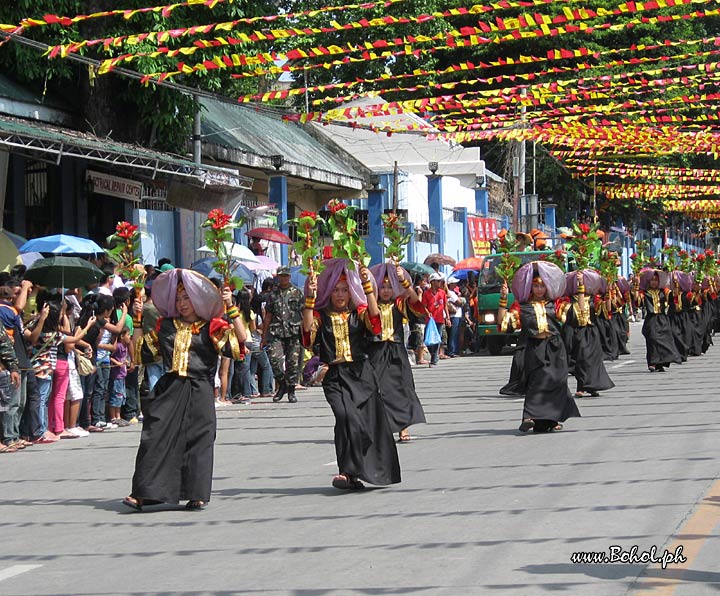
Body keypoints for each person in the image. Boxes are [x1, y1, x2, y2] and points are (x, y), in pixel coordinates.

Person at [123, 269, 246, 512]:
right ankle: (145, 493)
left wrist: (231, 307)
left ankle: (196, 493)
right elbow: (139, 353)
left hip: (200, 387)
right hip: (170, 387)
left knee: (199, 439)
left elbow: (239, 344)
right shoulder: (166, 325)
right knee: (155, 436)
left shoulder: (212, 327)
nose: (182, 304)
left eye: (187, 298)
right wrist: (137, 320)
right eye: (178, 299)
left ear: (198, 299)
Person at [302, 258, 401, 490]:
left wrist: (369, 287)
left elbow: (376, 324)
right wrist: (309, 298)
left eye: (344, 290)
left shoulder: (360, 313)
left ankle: (349, 474)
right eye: (336, 290)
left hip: (361, 374)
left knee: (358, 422)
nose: (339, 295)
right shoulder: (321, 315)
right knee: (345, 417)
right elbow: (307, 336)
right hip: (335, 376)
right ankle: (347, 470)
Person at [498, 262, 581, 433]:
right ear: (530, 286)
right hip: (534, 348)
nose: (539, 289)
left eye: (542, 286)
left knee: (556, 382)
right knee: (536, 382)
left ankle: (549, 421)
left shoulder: (555, 304)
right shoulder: (522, 306)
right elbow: (504, 324)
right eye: (535, 286)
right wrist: (503, 299)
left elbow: (577, 315)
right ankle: (528, 417)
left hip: (555, 348)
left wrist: (581, 288)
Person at [368, 263, 427, 443]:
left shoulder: (399, 303)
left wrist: (405, 282)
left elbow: (417, 305)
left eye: (389, 286)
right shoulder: (372, 303)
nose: (386, 291)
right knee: (377, 389)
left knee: (402, 387)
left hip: (396, 350)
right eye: (382, 287)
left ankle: (403, 427)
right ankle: (380, 427)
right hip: (376, 351)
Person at [263, 266, 304, 403]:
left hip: (294, 332)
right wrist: (264, 336)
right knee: (275, 360)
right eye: (281, 276)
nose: (283, 278)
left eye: (286, 276)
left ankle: (291, 390)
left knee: (292, 362)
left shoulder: (297, 293)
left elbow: (304, 314)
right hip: (276, 332)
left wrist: (307, 334)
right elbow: (268, 315)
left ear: (289, 277)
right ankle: (283, 384)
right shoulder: (272, 294)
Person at [633, 269, 682, 372]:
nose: (654, 282)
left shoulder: (664, 291)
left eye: (656, 280)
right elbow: (637, 301)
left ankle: (661, 363)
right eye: (652, 280)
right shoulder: (645, 293)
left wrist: (676, 282)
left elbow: (675, 295)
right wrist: (636, 286)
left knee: (664, 340)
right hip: (651, 319)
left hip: (663, 319)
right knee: (652, 340)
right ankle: (652, 362)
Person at [421, 273, 449, 366]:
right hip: (430, 320)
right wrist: (427, 312)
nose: (439, 283)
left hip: (440, 319)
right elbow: (423, 306)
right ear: (432, 282)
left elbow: (445, 306)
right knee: (428, 339)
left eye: (440, 281)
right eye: (437, 281)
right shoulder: (426, 294)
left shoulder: (442, 293)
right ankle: (433, 354)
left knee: (437, 338)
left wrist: (448, 318)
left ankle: (434, 357)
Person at [109, 328, 132, 427]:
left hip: (122, 375)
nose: (129, 337)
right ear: (121, 336)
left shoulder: (125, 346)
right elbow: (110, 356)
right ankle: (114, 417)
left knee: (121, 396)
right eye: (127, 335)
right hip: (116, 375)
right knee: (116, 396)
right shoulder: (118, 346)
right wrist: (117, 363)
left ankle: (118, 416)